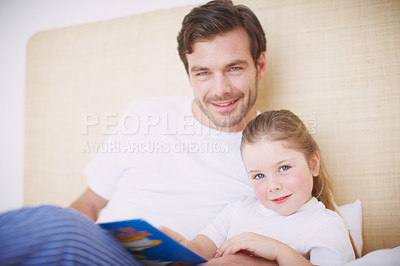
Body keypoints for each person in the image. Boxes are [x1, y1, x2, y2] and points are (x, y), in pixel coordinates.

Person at [0, 0, 271, 265]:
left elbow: (282, 247)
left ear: (259, 66)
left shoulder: (276, 149)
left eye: (234, 68)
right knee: (58, 225)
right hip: (96, 249)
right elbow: (90, 203)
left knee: (58, 226)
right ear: (189, 76)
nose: (220, 88)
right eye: (203, 73)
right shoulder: (145, 114)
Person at [160, 110, 356, 266]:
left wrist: (278, 251)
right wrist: (183, 248)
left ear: (313, 164)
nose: (273, 186)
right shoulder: (238, 210)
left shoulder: (326, 224)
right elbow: (200, 249)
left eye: (284, 168)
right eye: (259, 176)